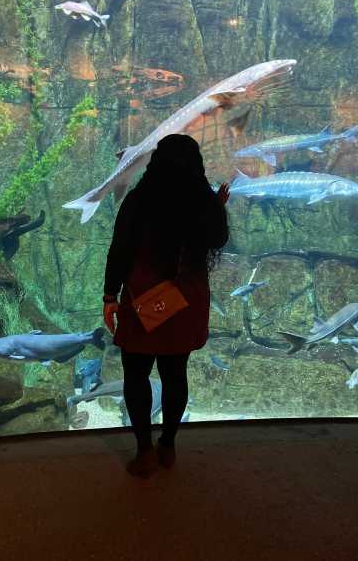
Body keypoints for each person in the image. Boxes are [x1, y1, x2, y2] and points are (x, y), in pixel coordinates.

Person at [102, 134, 230, 478]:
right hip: (185, 301)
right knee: (175, 374)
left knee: (136, 374)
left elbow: (120, 251)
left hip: (144, 301)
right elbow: (217, 240)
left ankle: (144, 451)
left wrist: (110, 296)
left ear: (156, 162)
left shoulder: (139, 200)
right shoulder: (203, 201)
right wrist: (218, 207)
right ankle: (168, 445)